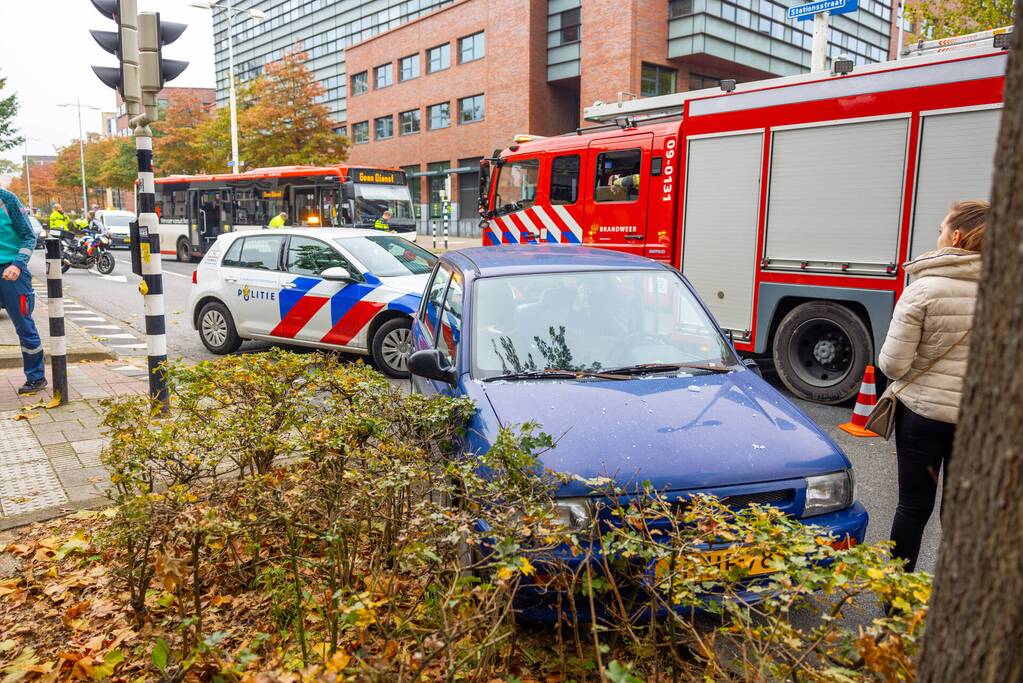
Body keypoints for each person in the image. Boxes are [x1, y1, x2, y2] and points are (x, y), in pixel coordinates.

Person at [878, 199, 987, 572]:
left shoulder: (923, 290)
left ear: (956, 236)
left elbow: (893, 365)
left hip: (923, 417)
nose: (938, 235)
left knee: (912, 507)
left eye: (941, 228)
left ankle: (894, 604)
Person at [0, 188, 46, 394]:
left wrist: (18, 264)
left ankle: (36, 377)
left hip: (12, 273)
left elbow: (28, 236)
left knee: (24, 325)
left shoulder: (7, 200)